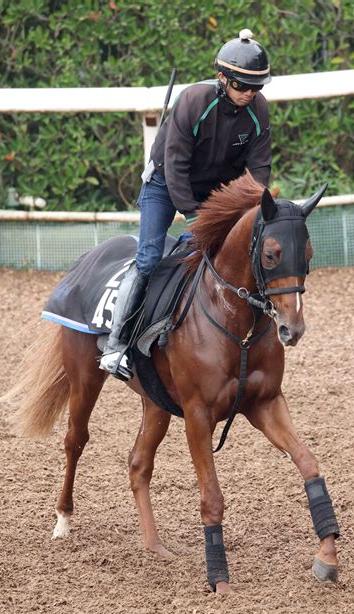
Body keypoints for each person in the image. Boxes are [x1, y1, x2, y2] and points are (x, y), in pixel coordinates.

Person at [100, 28, 273, 380]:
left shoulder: (258, 111)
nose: (249, 94)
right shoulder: (194, 101)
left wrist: (254, 207)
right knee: (149, 259)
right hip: (166, 184)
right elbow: (176, 163)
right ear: (222, 78)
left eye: (256, 87)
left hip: (216, 193)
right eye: (242, 85)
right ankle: (117, 345)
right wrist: (194, 215)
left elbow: (259, 170)